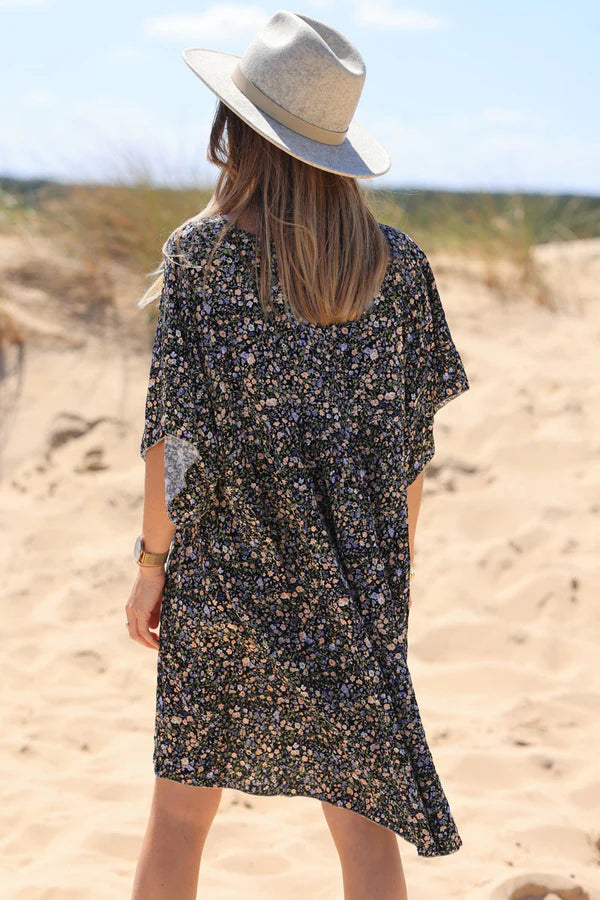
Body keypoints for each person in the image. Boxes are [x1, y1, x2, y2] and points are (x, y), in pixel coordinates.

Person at [126, 11, 470, 900]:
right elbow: (410, 457)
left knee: (176, 820)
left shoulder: (198, 258)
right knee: (364, 828)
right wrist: (385, 585)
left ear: (235, 130)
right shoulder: (400, 267)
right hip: (352, 583)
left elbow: (178, 440)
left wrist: (151, 561)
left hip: (228, 580)